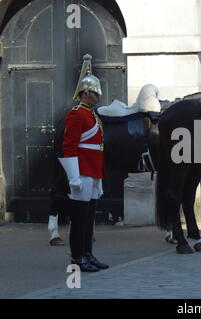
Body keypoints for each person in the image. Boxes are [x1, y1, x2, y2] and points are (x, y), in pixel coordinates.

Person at [58, 55, 109, 271]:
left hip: (93, 172)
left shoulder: (92, 115)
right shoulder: (77, 115)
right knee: (79, 219)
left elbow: (98, 147)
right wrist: (74, 177)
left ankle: (88, 253)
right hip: (82, 172)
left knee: (89, 219)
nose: (98, 96)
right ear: (86, 93)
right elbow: (69, 146)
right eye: (95, 93)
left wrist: (99, 176)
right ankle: (77, 258)